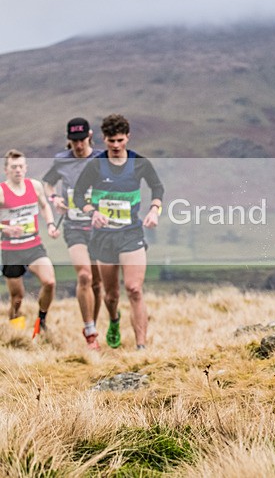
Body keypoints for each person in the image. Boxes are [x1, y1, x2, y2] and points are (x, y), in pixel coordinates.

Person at [73, 114, 164, 350]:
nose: (115, 146)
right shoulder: (95, 165)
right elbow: (78, 194)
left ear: (128, 137)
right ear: (103, 139)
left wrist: (154, 210)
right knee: (111, 295)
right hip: (104, 237)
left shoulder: (140, 163)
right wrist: (92, 211)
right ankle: (114, 320)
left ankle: (141, 346)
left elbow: (157, 187)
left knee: (134, 289)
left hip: (131, 234)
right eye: (111, 141)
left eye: (120, 140)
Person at [42, 117, 105, 350]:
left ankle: (94, 326)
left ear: (89, 135)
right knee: (85, 277)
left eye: (82, 140)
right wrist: (55, 198)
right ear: (69, 140)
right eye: (74, 141)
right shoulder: (62, 161)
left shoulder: (101, 158)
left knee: (98, 284)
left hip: (99, 227)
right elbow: (48, 183)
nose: (79, 145)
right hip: (74, 225)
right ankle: (89, 331)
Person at [1, 149, 60, 338]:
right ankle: (15, 331)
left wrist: (50, 224)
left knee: (49, 281)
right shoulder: (2, 192)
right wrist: (4, 228)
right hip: (11, 250)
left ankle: (40, 322)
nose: (18, 170)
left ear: (26, 168)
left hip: (33, 245)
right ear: (6, 170)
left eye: (21, 166)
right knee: (17, 297)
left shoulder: (34, 186)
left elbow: (44, 206)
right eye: (13, 167)